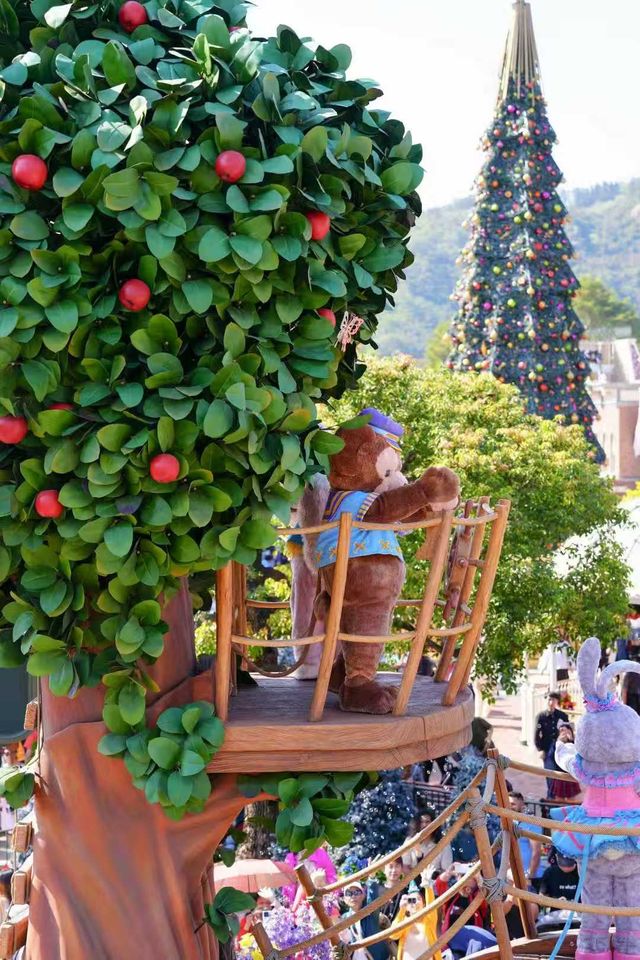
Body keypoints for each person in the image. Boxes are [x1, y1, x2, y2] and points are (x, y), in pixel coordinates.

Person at [340, 880, 391, 960]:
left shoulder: (370, 911)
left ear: (363, 895)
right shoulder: (344, 918)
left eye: (357, 892)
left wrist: (371, 878)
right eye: (349, 894)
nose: (353, 896)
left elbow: (373, 897)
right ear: (344, 899)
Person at [390, 883, 441, 960]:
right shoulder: (404, 922)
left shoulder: (429, 920)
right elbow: (393, 935)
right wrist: (402, 910)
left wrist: (427, 886)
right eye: (411, 900)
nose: (415, 902)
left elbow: (431, 905)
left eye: (418, 899)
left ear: (424, 904)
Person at [534, 692, 568, 798]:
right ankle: (550, 802)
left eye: (553, 700)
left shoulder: (562, 716)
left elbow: (567, 732)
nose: (551, 702)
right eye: (549, 700)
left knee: (561, 776)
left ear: (557, 701)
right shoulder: (541, 716)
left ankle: (559, 801)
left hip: (560, 749)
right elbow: (536, 734)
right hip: (547, 750)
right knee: (550, 777)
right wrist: (540, 749)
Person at [508, 791, 544, 891]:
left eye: (513, 804)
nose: (510, 807)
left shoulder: (531, 823)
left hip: (530, 877)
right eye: (508, 804)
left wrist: (530, 875)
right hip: (513, 875)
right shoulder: (509, 822)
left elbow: (536, 851)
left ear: (522, 804)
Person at [547, 724, 581, 801]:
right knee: (559, 800)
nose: (564, 734)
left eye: (567, 731)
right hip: (560, 775)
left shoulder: (576, 744)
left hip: (570, 775)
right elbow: (550, 757)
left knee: (571, 800)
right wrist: (558, 742)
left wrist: (573, 741)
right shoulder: (556, 744)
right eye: (562, 731)